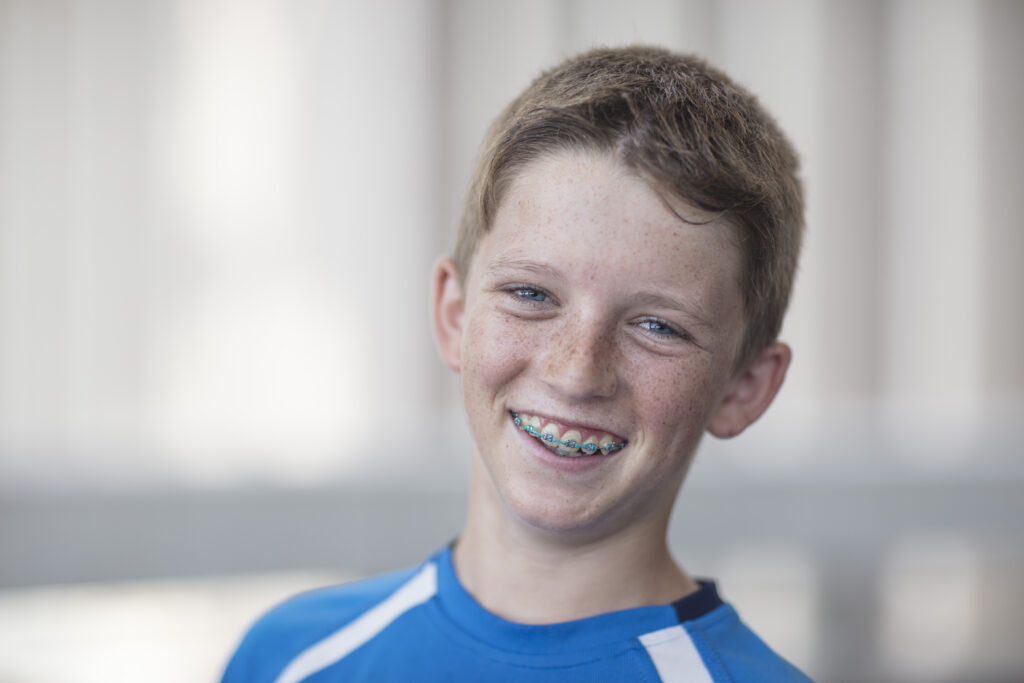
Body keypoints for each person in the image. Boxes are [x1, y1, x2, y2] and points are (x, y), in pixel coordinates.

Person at [222, 45, 811, 682]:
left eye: (656, 326)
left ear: (743, 388)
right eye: (531, 294)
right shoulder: (289, 658)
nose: (576, 373)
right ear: (453, 314)